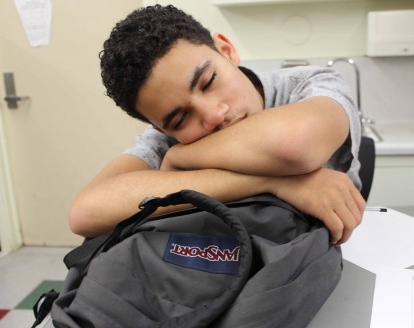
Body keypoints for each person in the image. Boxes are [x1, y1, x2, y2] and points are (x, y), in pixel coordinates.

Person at [69, 4, 365, 245]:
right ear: (161, 129)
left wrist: (182, 158)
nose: (212, 115)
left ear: (226, 50)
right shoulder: (169, 138)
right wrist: (274, 182)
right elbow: (86, 212)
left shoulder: (308, 85)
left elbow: (296, 145)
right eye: (180, 118)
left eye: (209, 81)